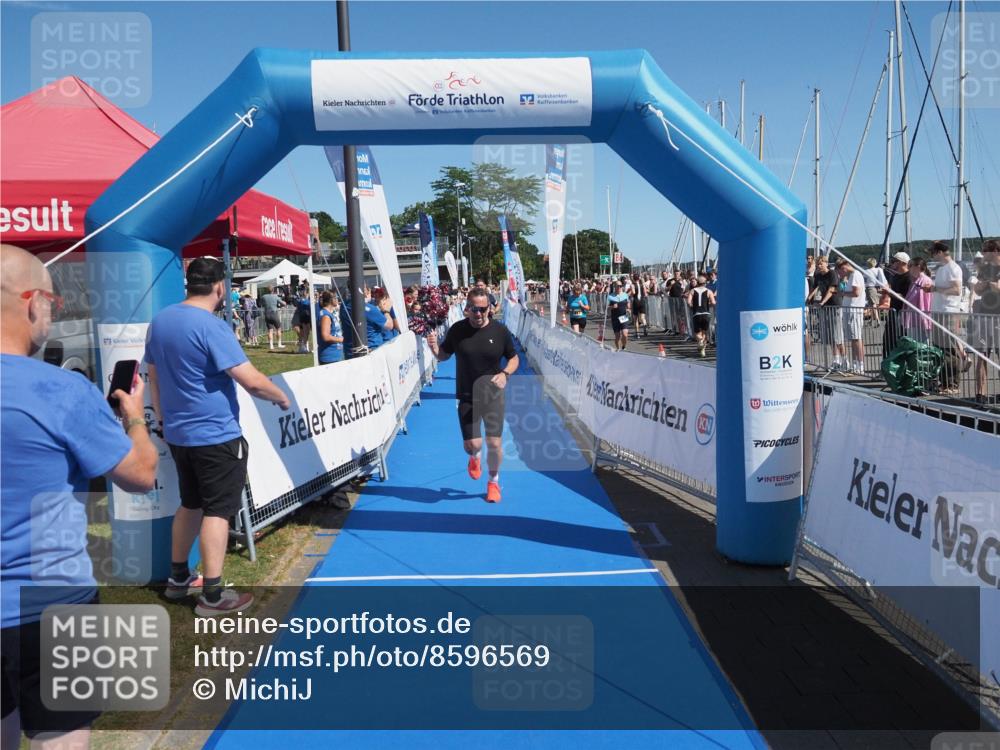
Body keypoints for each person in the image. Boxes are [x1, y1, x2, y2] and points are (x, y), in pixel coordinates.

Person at [1, 244, 157, 748]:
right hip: (57, 601)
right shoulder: (61, 392)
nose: (53, 311)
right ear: (31, 304)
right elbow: (140, 475)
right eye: (52, 301)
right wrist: (133, 415)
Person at [146, 258, 291, 616]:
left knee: (191, 503)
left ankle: (178, 578)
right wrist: (282, 397)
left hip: (179, 433)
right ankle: (212, 595)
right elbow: (251, 379)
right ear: (220, 287)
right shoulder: (211, 326)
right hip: (214, 433)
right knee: (218, 511)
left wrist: (163, 420)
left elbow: (153, 375)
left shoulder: (161, 320)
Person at [426, 288, 519, 503]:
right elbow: (443, 356)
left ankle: (493, 482)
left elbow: (514, 359)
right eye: (473, 309)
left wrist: (505, 374)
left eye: (482, 309)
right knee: (473, 445)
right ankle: (475, 457)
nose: (478, 313)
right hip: (467, 396)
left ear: (490, 308)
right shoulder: (457, 330)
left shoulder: (500, 331)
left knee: (495, 443)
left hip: (493, 395)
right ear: (467, 309)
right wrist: (433, 348)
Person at [970, 239, 1000, 405]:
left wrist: (990, 284)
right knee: (982, 356)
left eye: (985, 250)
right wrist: (988, 284)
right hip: (984, 318)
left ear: (995, 251)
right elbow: (977, 289)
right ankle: (980, 393)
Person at [340, 288, 395, 357]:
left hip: (350, 352)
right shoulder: (370, 309)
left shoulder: (344, 305)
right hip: (370, 352)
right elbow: (390, 325)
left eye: (381, 296)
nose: (376, 297)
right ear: (366, 292)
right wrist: (386, 311)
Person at [836, 259, 866, 375]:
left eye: (840, 272)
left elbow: (856, 293)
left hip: (854, 309)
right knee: (853, 338)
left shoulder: (856, 275)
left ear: (844, 267)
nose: (840, 275)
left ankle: (860, 364)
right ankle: (855, 363)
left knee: (856, 338)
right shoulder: (851, 276)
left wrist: (842, 293)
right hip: (850, 310)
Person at [686, 274, 716, 357]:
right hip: (706, 314)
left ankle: (700, 342)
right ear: (705, 283)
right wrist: (708, 304)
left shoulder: (692, 291)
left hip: (697, 314)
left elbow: (688, 302)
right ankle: (703, 350)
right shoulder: (709, 291)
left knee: (697, 333)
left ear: (697, 282)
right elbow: (713, 302)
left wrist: (693, 306)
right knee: (704, 332)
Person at [317, 291, 345, 364]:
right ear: (331, 299)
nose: (338, 300)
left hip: (335, 354)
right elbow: (326, 336)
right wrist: (341, 339)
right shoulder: (326, 316)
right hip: (330, 356)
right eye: (336, 297)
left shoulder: (330, 313)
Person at [607, 280, 631, 351]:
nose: (619, 287)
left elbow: (628, 304)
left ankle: (623, 346)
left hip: (624, 316)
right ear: (615, 287)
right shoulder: (610, 296)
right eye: (618, 286)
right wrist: (611, 307)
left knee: (625, 334)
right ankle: (618, 349)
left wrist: (628, 309)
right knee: (617, 337)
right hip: (615, 318)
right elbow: (606, 308)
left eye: (621, 286)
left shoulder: (625, 295)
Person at [260, 286, 285, 350]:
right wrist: (283, 303)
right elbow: (283, 303)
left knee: (270, 330)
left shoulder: (264, 296)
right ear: (273, 290)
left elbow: (261, 304)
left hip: (267, 314)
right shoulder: (275, 296)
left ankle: (271, 345)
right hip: (274, 314)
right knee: (278, 329)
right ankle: (279, 344)